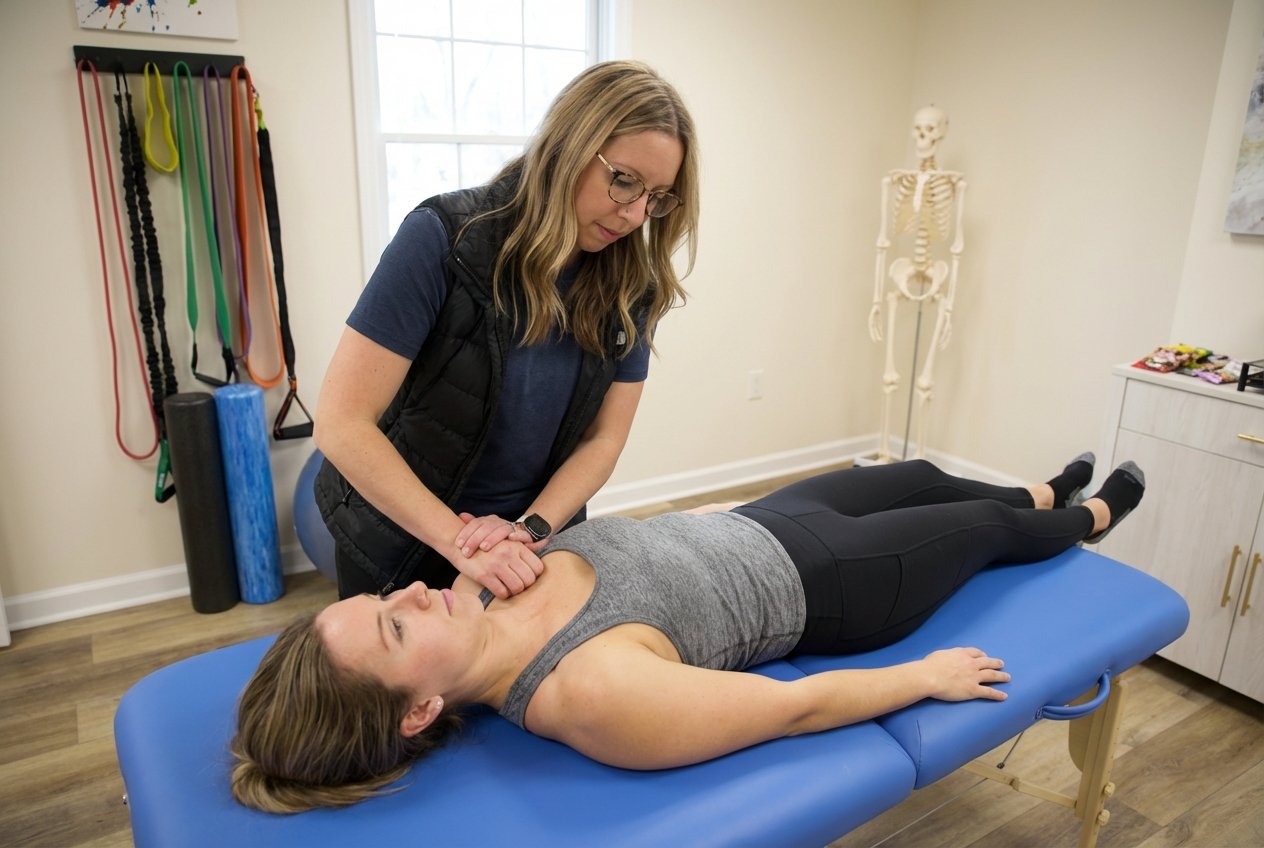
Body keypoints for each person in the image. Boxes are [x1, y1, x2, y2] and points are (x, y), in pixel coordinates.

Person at [231, 454, 1147, 813]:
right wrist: (923, 678)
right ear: (420, 711)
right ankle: (1091, 516)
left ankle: (1036, 490)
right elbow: (791, 709)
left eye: (386, 595)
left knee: (914, 473)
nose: (415, 594)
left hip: (762, 517)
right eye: (395, 627)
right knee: (978, 535)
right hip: (832, 582)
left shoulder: (477, 581)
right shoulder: (585, 693)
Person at [313, 60, 699, 601]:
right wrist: (466, 545)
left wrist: (529, 532)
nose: (636, 215)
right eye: (624, 181)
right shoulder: (443, 238)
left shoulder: (631, 283)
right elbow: (341, 423)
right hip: (400, 541)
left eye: (656, 197)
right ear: (568, 146)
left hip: (532, 545)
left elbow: (603, 439)